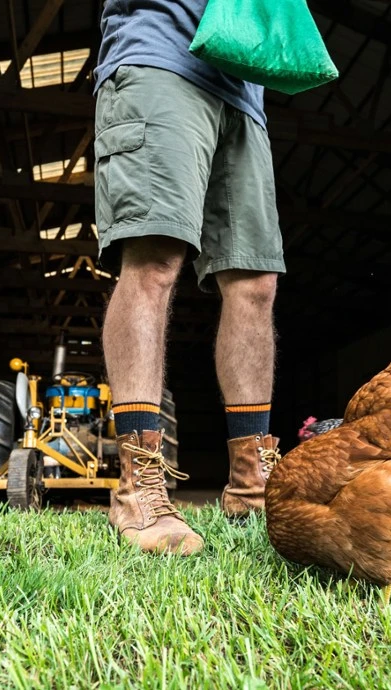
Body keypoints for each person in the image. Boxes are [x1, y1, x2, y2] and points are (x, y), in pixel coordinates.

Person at [93, 0, 285, 555]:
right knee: (154, 260)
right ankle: (139, 489)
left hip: (244, 82)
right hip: (161, 54)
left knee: (255, 283)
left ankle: (253, 486)